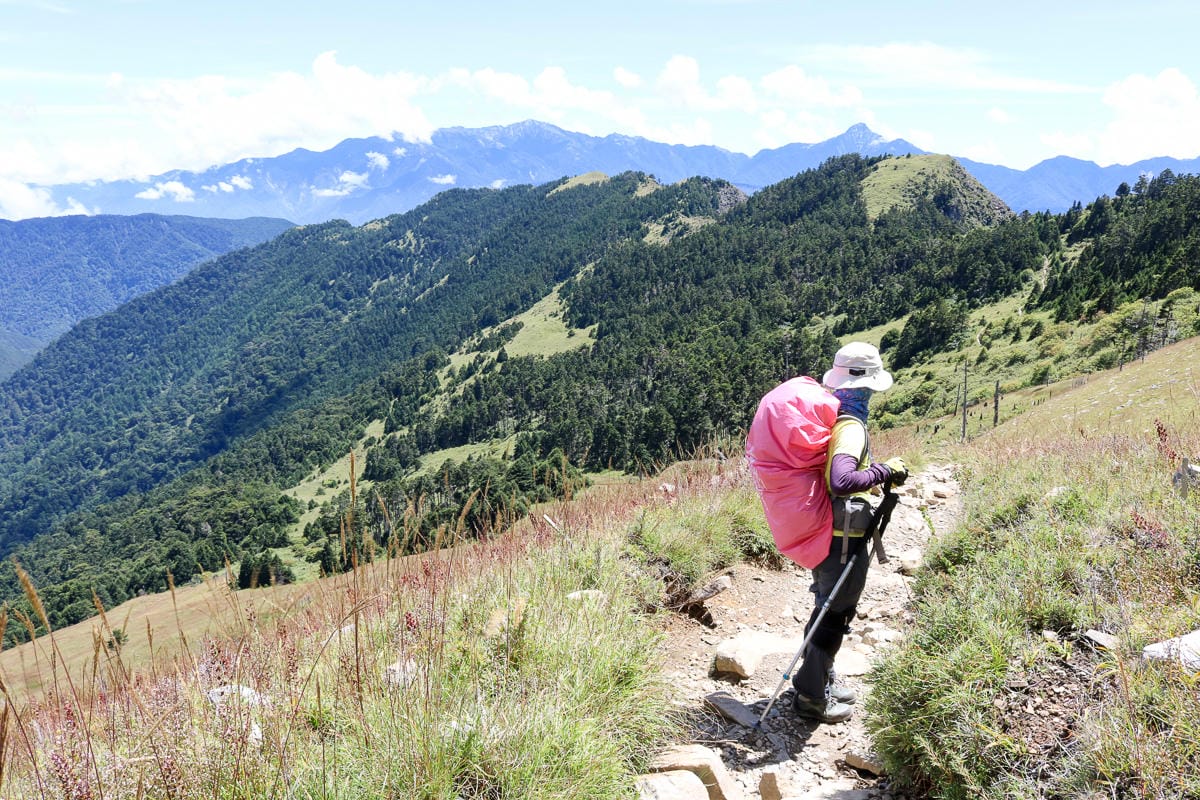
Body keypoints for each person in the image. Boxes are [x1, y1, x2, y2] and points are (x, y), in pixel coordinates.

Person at [791, 341, 907, 724]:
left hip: (825, 526)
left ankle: (818, 676)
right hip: (843, 536)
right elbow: (841, 480)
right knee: (835, 612)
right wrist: (884, 471)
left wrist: (869, 475)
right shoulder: (851, 427)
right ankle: (812, 698)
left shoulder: (832, 418)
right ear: (868, 387)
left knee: (826, 602)